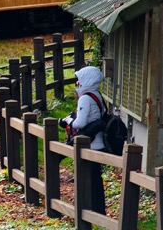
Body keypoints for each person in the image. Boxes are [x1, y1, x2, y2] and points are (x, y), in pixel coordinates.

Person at [60, 65, 107, 214]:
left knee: (87, 180)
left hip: (88, 144)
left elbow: (80, 123)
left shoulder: (85, 98)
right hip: (98, 144)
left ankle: (87, 211)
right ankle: (98, 211)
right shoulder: (97, 95)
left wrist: (67, 121)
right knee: (95, 180)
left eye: (79, 80)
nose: (77, 83)